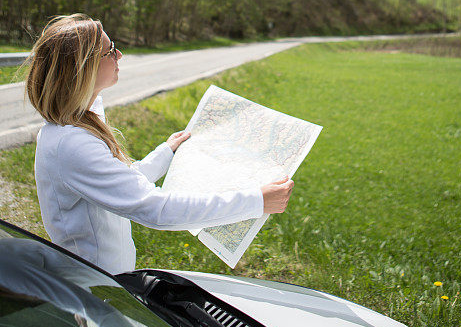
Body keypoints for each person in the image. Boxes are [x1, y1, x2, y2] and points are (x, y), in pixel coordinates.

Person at [26, 14, 293, 274]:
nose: (119, 56)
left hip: (104, 281)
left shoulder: (75, 123)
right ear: (82, 69)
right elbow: (156, 209)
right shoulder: (72, 144)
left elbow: (120, 184)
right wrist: (257, 200)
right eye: (109, 51)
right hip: (94, 291)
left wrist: (166, 152)